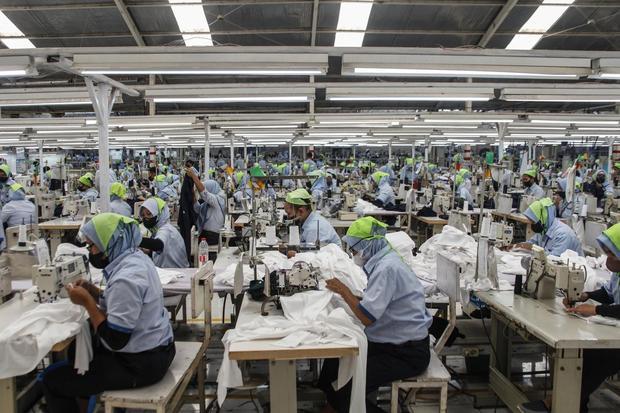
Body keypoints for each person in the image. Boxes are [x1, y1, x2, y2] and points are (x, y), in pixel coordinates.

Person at [40, 213, 175, 413]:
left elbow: (115, 339)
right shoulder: (136, 258)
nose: (91, 251)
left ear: (109, 243)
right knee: (78, 351)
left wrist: (88, 303)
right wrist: (94, 292)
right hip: (158, 349)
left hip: (140, 364)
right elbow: (124, 304)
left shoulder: (126, 278)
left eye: (92, 245)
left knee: (52, 380)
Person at [319, 216, 432, 413]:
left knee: (346, 394)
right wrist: (346, 295)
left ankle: (339, 405)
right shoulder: (384, 259)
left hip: (406, 353)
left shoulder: (387, 268)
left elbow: (367, 317)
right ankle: (331, 407)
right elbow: (375, 302)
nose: (353, 254)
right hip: (390, 343)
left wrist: (344, 291)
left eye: (354, 249)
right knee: (333, 362)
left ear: (368, 245)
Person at [521, 223, 620, 413]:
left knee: (603, 355)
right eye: (606, 253)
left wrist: (595, 310)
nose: (608, 259)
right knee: (585, 351)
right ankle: (576, 406)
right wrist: (585, 296)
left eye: (612, 254)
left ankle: (556, 403)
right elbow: (609, 293)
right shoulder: (618, 273)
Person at [510, 197, 583, 256]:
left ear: (543, 218)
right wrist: (517, 246)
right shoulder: (543, 230)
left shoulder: (562, 234)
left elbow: (555, 260)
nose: (532, 225)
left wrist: (531, 248)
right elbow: (531, 243)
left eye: (533, 221)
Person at [139, 197, 189, 268]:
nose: (146, 218)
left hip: (177, 272)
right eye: (143, 215)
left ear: (160, 213)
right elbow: (164, 252)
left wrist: (136, 240)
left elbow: (158, 245)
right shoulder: (157, 230)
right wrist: (149, 252)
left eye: (149, 214)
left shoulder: (166, 230)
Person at [186, 167, 226, 246]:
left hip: (212, 236)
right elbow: (198, 209)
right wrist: (192, 193)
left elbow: (204, 194)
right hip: (205, 234)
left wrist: (194, 176)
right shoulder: (207, 204)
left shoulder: (218, 200)